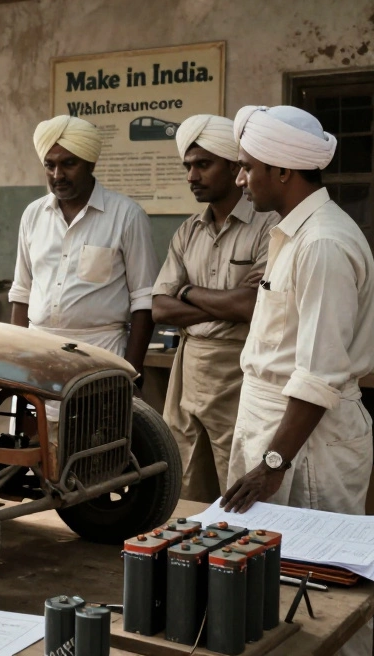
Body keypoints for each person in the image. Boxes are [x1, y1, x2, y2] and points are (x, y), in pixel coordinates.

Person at [220, 105, 374, 656]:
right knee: (274, 582)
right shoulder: (294, 233)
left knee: (324, 591)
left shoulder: (323, 245)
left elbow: (318, 374)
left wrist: (272, 465)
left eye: (247, 167)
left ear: (282, 172)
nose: (241, 178)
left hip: (308, 442)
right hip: (277, 426)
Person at [151, 115, 278, 502]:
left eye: (203, 165)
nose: (192, 176)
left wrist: (186, 291)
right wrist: (223, 303)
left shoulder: (269, 226)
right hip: (189, 367)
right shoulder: (188, 231)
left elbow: (250, 306)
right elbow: (159, 309)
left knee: (236, 473)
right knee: (185, 476)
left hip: (239, 368)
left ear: (236, 167)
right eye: (188, 166)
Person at [9, 115, 158, 378]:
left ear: (90, 163)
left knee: (94, 420)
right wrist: (17, 363)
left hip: (102, 354)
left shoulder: (127, 215)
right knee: (36, 420)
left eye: (68, 164)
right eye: (50, 165)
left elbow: (144, 302)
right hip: (37, 355)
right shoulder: (33, 215)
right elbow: (22, 293)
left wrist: (133, 374)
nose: (58, 175)